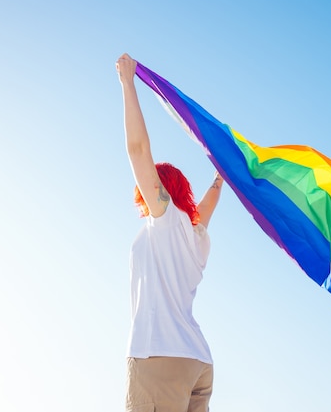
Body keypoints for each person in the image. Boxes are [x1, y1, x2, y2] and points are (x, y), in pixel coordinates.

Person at [116, 52, 223, 412]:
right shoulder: (196, 237)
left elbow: (138, 150)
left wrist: (127, 84)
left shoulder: (163, 220)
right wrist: (220, 178)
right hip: (198, 363)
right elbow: (206, 208)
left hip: (160, 355)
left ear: (159, 190)